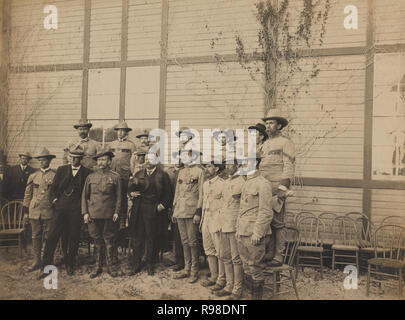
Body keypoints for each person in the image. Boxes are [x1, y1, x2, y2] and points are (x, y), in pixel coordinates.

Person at [41, 146, 92, 276]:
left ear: (81, 159)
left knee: (73, 237)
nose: (73, 160)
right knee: (52, 235)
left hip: (76, 208)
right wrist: (54, 201)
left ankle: (70, 263)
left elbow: (88, 193)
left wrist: (85, 209)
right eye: (71, 157)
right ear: (69, 157)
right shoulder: (62, 170)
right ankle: (46, 266)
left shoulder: (87, 172)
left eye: (76, 158)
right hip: (61, 207)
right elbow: (53, 188)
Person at [127, 151, 172, 276]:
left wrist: (161, 206)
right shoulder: (139, 173)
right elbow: (130, 188)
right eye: (146, 158)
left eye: (150, 159)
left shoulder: (162, 175)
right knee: (137, 237)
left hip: (153, 210)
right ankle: (136, 264)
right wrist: (131, 194)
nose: (147, 161)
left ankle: (150, 264)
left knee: (151, 237)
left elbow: (168, 195)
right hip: (139, 208)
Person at [259, 109, 295, 267]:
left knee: (278, 223)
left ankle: (278, 256)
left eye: (271, 123)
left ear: (279, 125)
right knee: (267, 221)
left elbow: (288, 167)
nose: (268, 126)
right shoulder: (265, 144)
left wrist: (282, 188)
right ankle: (269, 252)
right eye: (266, 123)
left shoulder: (286, 143)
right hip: (264, 188)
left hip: (277, 188)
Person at [236, 155, 273, 300]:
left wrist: (258, 232)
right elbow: (241, 210)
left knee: (255, 268)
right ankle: (247, 297)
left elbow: (266, 212)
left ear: (256, 163)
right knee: (246, 267)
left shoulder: (263, 184)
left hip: (254, 234)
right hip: (243, 232)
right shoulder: (246, 183)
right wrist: (238, 230)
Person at [82, 147, 122, 278]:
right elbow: (84, 196)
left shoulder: (115, 177)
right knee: (97, 241)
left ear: (109, 162)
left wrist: (117, 212)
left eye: (104, 159)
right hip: (93, 214)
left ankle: (111, 267)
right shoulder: (90, 177)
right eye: (99, 160)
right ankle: (97, 267)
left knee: (109, 241)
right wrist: (85, 213)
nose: (101, 162)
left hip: (109, 214)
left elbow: (119, 197)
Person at [214, 161, 245, 299]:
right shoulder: (227, 181)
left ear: (237, 166)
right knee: (225, 256)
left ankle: (237, 290)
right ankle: (228, 285)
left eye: (230, 164)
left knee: (236, 258)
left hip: (234, 225)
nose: (227, 167)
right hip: (223, 223)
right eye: (225, 165)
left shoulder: (241, 182)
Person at [172, 149, 205, 283]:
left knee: (192, 241)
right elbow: (177, 192)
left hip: (192, 211)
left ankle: (194, 270)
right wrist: (175, 210)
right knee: (184, 241)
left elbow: (202, 194)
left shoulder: (199, 171)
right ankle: (186, 268)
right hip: (180, 210)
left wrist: (198, 212)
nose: (182, 158)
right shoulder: (181, 172)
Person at [22, 148, 57, 272]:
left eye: (45, 160)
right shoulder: (33, 176)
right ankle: (36, 261)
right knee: (35, 236)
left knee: (49, 237)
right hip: (35, 210)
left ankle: (48, 262)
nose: (42, 162)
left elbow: (57, 194)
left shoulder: (55, 176)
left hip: (48, 210)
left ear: (49, 161)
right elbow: (27, 195)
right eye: (40, 160)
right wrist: (26, 211)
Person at [109, 121, 136, 264]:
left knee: (123, 203)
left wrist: (132, 174)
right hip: (112, 176)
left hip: (125, 177)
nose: (121, 133)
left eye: (123, 130)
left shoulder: (131, 145)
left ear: (127, 132)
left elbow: (134, 162)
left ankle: (121, 228)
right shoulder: (110, 144)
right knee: (113, 201)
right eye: (119, 130)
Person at [199, 159, 227, 292]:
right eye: (206, 166)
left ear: (216, 169)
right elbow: (205, 204)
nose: (206, 169)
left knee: (219, 251)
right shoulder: (205, 184)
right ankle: (213, 276)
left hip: (217, 220)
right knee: (208, 249)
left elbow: (225, 205)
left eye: (209, 166)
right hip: (206, 220)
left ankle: (221, 280)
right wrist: (202, 221)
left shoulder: (223, 184)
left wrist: (221, 222)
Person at [165, 151, 185, 271]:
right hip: (170, 206)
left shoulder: (185, 172)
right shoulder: (168, 172)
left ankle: (182, 261)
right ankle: (175, 257)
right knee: (173, 233)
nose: (178, 160)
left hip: (182, 206)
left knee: (181, 234)